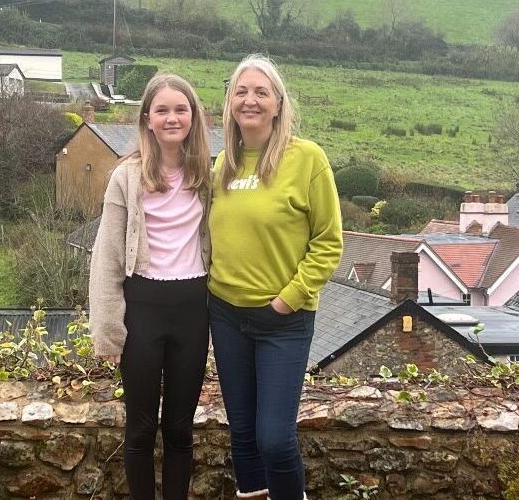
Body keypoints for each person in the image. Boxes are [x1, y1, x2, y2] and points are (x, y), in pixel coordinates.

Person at [208, 54, 343, 500]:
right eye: (241, 92)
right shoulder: (222, 164)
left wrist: (289, 298)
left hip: (282, 320)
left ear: (279, 104)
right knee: (243, 436)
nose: (250, 100)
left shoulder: (307, 159)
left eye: (260, 92)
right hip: (226, 316)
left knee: (274, 438)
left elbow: (328, 241)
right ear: (229, 103)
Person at [89, 73, 212, 500]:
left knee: (180, 428)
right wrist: (108, 331)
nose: (172, 117)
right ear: (147, 118)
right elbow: (106, 257)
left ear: (194, 117)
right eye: (162, 110)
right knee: (140, 429)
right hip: (143, 308)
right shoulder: (125, 177)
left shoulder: (209, 174)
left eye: (181, 109)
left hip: (194, 309)